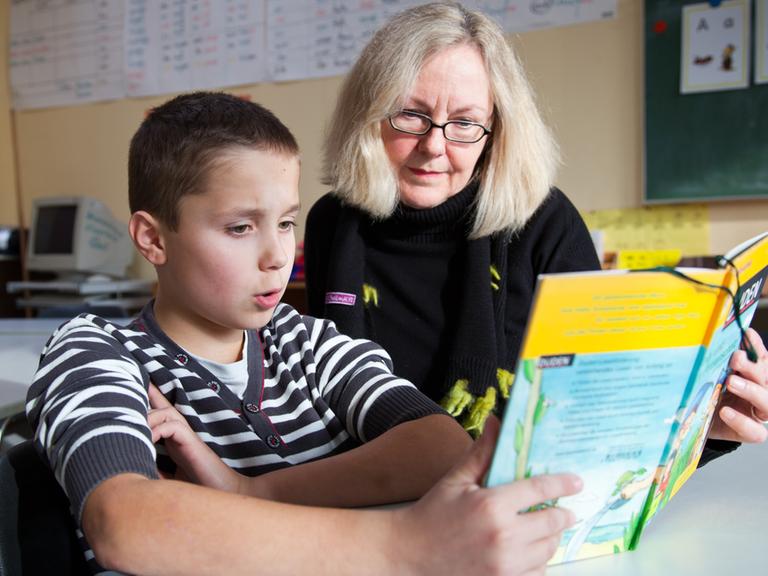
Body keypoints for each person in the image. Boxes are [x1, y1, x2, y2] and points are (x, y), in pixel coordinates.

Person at [26, 91, 583, 575]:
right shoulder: (97, 352)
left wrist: (249, 488)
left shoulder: (306, 342)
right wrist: (403, 548)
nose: (277, 258)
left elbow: (438, 447)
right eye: (240, 227)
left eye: (287, 223)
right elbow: (125, 523)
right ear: (152, 239)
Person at [304, 1, 768, 455]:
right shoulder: (332, 223)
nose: (434, 145)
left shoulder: (545, 223)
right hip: (369, 497)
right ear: (369, 115)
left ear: (496, 131)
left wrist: (708, 425)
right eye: (410, 114)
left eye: (465, 122)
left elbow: (599, 412)